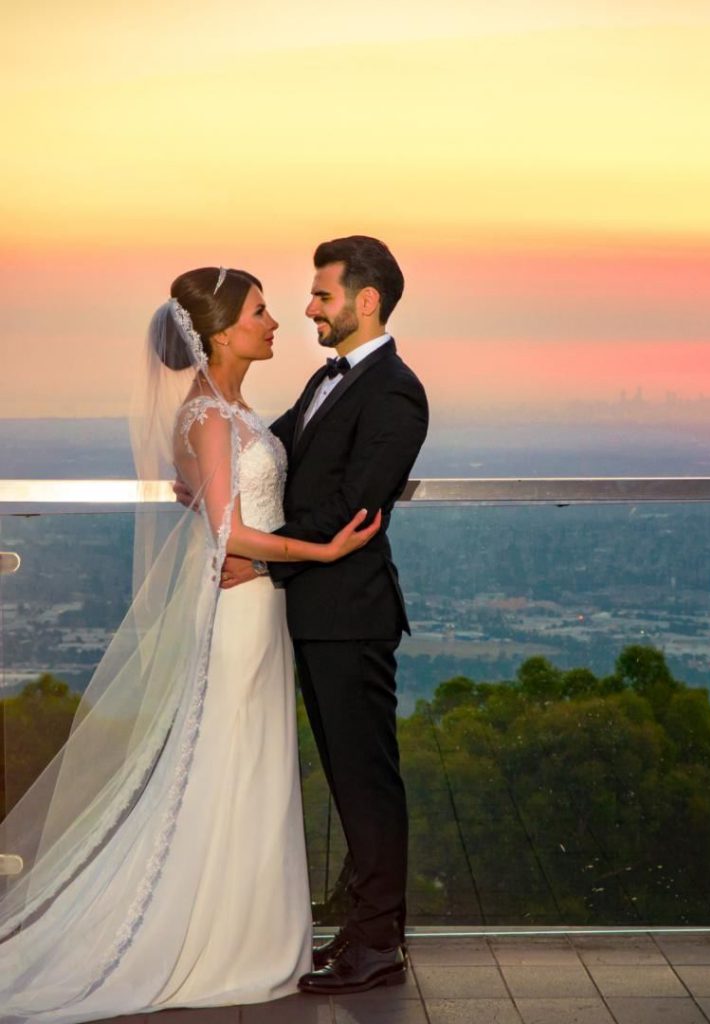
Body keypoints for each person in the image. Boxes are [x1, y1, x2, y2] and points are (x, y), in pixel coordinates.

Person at [0, 267, 380, 1023]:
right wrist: (323, 553)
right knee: (230, 765)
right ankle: (222, 943)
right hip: (240, 618)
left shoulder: (234, 411)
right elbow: (225, 532)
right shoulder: (208, 414)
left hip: (259, 610)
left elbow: (220, 502)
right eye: (261, 312)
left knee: (252, 766)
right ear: (219, 333)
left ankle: (253, 935)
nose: (275, 323)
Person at [217, 236, 429, 995]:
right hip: (314, 612)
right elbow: (269, 450)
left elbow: (353, 511)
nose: (308, 307)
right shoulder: (327, 379)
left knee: (367, 783)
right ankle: (360, 931)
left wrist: (265, 559)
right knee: (347, 780)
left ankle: (379, 945)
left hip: (352, 615)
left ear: (365, 301)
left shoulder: (396, 392)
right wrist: (209, 467)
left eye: (321, 295)